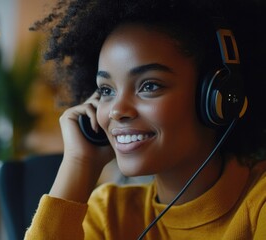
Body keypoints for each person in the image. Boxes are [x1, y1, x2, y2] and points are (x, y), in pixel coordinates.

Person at [25, 0, 266, 239]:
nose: (116, 110)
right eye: (107, 90)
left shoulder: (259, 204)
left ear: (218, 97)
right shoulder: (109, 213)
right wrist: (79, 162)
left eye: (149, 85)